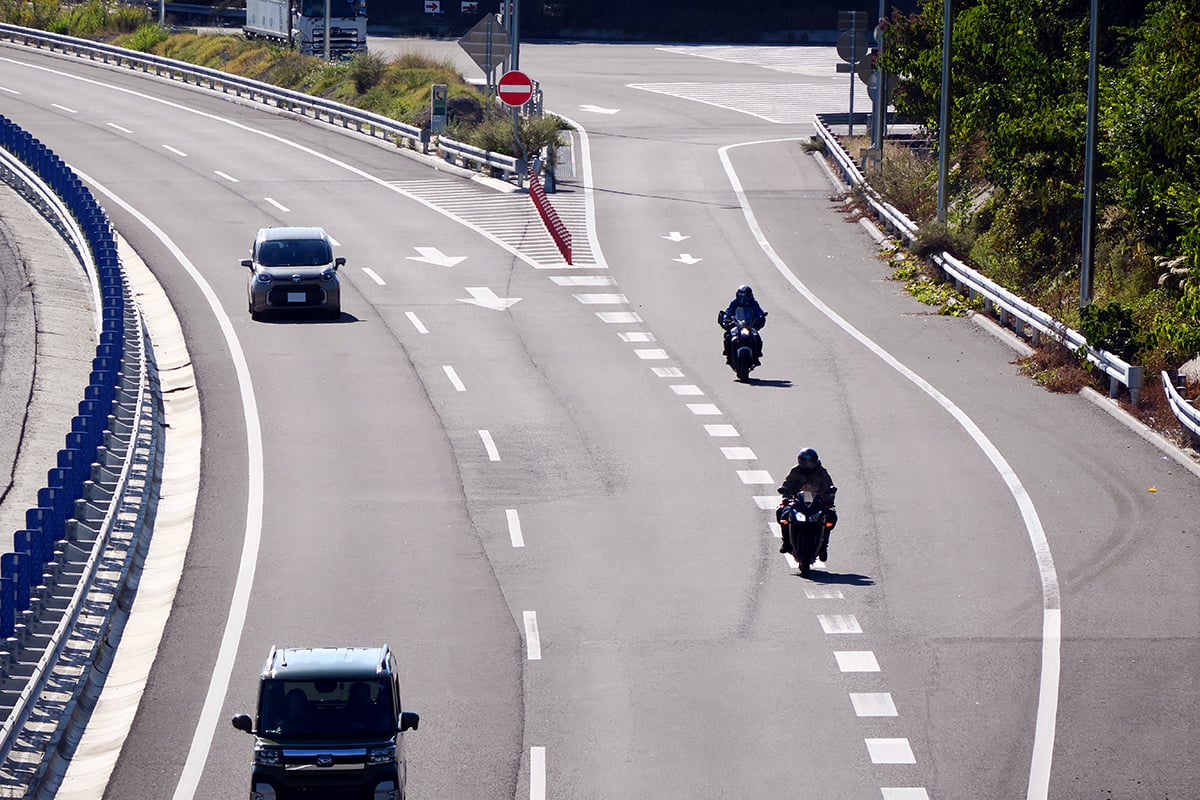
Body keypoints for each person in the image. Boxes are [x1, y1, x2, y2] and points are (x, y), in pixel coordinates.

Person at [776, 448, 838, 561]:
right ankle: (786, 542)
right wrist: (785, 491)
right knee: (782, 512)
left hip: (817, 503)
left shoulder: (821, 472)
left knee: (830, 516)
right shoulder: (795, 471)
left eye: (810, 462)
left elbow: (829, 486)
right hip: (798, 503)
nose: (807, 465)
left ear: (815, 461)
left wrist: (828, 497)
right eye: (804, 462)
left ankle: (823, 546)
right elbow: (787, 484)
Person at [719, 285, 767, 361]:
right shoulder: (734, 303)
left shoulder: (753, 303)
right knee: (728, 337)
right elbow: (729, 311)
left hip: (749, 325)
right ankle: (728, 353)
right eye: (741, 297)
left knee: (757, 337)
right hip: (738, 324)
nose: (743, 300)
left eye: (745, 297)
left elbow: (758, 311)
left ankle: (757, 354)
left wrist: (760, 317)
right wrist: (726, 319)